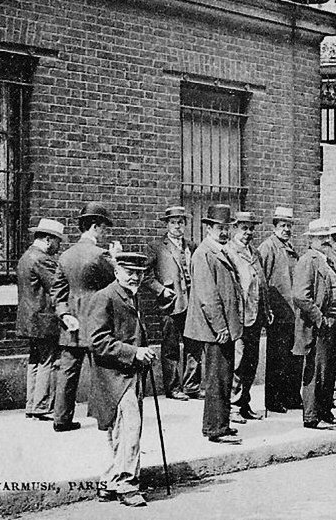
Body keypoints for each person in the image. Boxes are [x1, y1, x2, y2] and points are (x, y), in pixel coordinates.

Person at [86, 252, 157, 507]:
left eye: (139, 273)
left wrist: (144, 352)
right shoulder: (104, 297)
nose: (135, 277)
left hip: (131, 373)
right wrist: (134, 352)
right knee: (130, 429)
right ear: (117, 272)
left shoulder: (132, 296)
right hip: (113, 377)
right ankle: (127, 485)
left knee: (123, 432)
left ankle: (108, 482)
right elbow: (96, 341)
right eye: (130, 272)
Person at [52, 202, 119, 433]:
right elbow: (116, 284)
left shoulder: (65, 256)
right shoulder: (101, 255)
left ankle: (61, 419)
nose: (105, 233)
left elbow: (57, 293)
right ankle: (104, 419)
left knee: (68, 373)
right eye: (104, 228)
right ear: (94, 227)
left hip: (71, 325)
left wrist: (64, 314)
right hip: (96, 322)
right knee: (101, 371)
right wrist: (116, 259)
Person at [184, 204, 242, 444]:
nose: (224, 232)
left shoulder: (220, 250)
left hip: (224, 327)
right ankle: (214, 428)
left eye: (227, 228)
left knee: (224, 377)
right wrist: (220, 327)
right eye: (219, 228)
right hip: (215, 330)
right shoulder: (204, 254)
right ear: (208, 228)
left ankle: (222, 423)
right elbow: (208, 296)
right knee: (217, 379)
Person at [293, 218, 336, 430]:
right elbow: (300, 296)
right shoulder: (309, 260)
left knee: (328, 370)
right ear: (311, 239)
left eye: (328, 237)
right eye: (321, 237)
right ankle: (312, 416)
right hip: (317, 326)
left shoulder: (327, 260)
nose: (326, 241)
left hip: (332, 324)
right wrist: (319, 318)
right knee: (316, 371)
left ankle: (326, 411)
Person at [143, 206, 201, 401]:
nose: (177, 226)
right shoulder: (156, 247)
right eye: (173, 222)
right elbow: (146, 276)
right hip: (170, 304)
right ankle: (173, 388)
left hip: (192, 303)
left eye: (181, 222)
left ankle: (192, 385)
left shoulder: (192, 246)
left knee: (194, 345)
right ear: (167, 224)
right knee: (171, 347)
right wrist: (161, 290)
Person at [17, 218, 67, 421]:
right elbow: (57, 287)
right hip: (44, 319)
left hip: (30, 319)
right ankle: (41, 406)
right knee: (48, 361)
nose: (58, 246)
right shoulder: (42, 259)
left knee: (35, 360)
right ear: (48, 239)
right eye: (58, 242)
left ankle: (32, 404)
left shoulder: (26, 256)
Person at [226, 211, 271, 421]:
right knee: (238, 362)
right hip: (240, 317)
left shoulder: (255, 252)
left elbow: (262, 283)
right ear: (234, 228)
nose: (248, 233)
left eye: (251, 228)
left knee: (251, 363)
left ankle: (244, 404)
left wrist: (267, 308)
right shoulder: (228, 252)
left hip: (255, 316)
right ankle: (233, 407)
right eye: (244, 228)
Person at [257, 207, 303, 412]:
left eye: (289, 225)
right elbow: (262, 280)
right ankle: (274, 401)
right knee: (277, 358)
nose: (286, 229)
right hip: (278, 312)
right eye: (283, 225)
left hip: (293, 312)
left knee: (293, 357)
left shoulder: (289, 247)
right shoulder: (268, 247)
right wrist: (267, 309)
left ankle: (291, 396)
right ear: (275, 226)